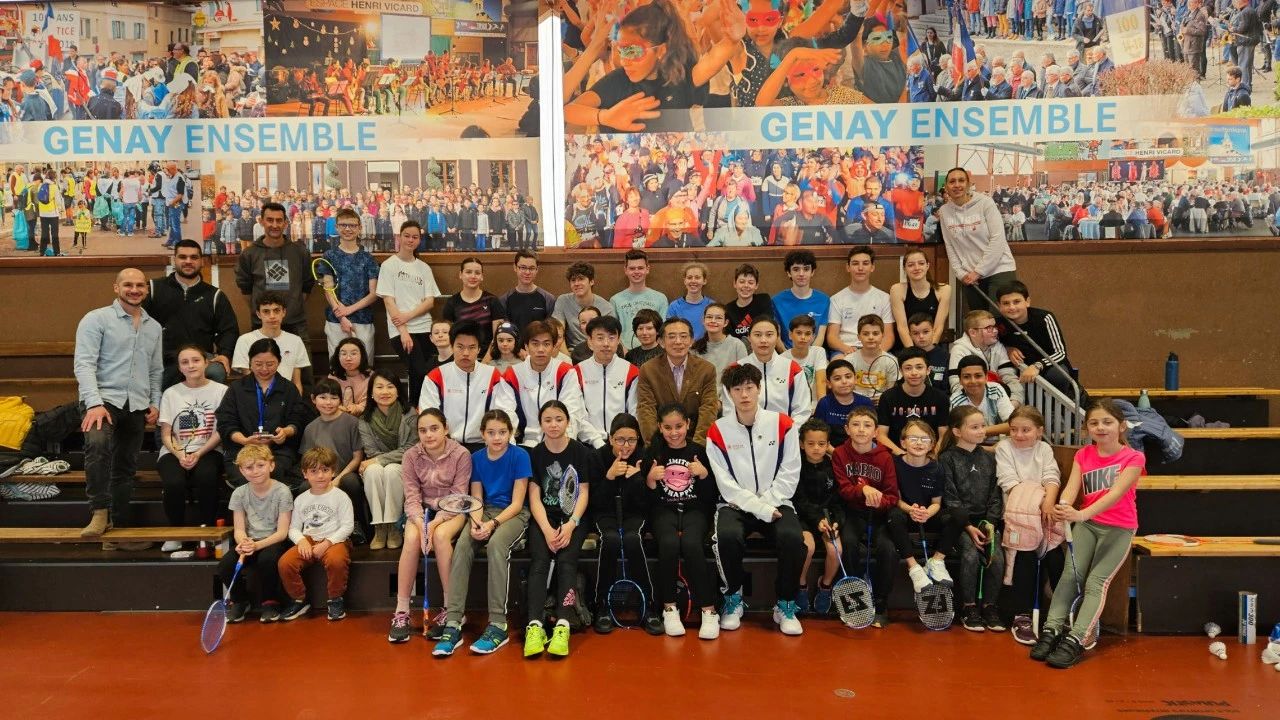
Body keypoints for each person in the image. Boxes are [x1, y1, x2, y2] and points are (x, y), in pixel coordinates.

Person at [1031, 399, 1145, 668]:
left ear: (1121, 426)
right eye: (1094, 423)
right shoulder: (1084, 454)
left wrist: (1081, 514)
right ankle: (1051, 630)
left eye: (1107, 422)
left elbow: (1116, 494)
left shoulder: (1134, 458)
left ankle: (1077, 638)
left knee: (1096, 583)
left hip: (1119, 528)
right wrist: (1064, 505)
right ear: (1086, 429)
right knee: (1071, 576)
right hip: (1087, 525)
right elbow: (1072, 487)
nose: (1100, 427)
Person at [708, 364, 805, 636]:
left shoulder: (783, 425)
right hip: (735, 505)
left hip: (777, 502)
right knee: (727, 536)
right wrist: (758, 508)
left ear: (759, 389)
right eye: (737, 389)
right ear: (728, 393)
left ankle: (785, 604)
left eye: (749, 388)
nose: (744, 395)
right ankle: (733, 598)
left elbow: (790, 471)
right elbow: (725, 483)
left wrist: (768, 503)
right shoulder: (717, 431)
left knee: (792, 538)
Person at [75, 268, 163, 545]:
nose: (134, 290)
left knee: (126, 465)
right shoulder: (96, 319)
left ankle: (118, 531)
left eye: (140, 285)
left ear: (146, 290)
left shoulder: (153, 326)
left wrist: (155, 402)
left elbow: (155, 370)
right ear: (116, 287)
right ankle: (99, 512)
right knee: (98, 446)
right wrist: (94, 403)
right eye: (128, 285)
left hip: (136, 403)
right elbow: (84, 364)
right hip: (102, 401)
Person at [434, 411, 532, 657]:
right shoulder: (476, 458)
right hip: (485, 511)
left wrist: (492, 525)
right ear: (483, 434)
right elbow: (476, 498)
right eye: (491, 432)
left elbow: (517, 504)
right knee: (463, 545)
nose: (497, 437)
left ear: (511, 433)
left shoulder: (520, 456)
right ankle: (453, 622)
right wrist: (477, 522)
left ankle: (498, 625)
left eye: (502, 432)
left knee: (497, 544)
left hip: (513, 515)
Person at [388, 408, 472, 642]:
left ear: (446, 429)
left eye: (434, 428)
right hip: (421, 511)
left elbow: (458, 496)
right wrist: (420, 523)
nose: (429, 435)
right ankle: (402, 611)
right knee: (412, 539)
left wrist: (433, 526)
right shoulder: (410, 456)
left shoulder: (461, 454)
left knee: (441, 537)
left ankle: (452, 610)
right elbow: (412, 497)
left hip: (452, 509)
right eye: (423, 430)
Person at [523, 401, 596, 657]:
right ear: (540, 424)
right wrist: (545, 528)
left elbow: (583, 492)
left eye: (558, 419)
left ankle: (563, 624)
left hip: (573, 520)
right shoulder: (535, 454)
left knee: (566, 562)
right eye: (548, 420)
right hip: (544, 519)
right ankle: (534, 625)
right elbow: (534, 496)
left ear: (567, 422)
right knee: (539, 562)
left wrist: (571, 524)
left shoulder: (580, 452)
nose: (553, 425)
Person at [643, 403, 720, 639]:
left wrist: (704, 475)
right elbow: (646, 500)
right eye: (667, 427)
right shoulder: (653, 453)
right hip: (663, 510)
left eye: (678, 426)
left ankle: (709, 610)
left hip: (695, 510)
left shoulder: (700, 452)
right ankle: (669, 608)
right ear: (660, 427)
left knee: (691, 544)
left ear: (688, 424)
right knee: (668, 543)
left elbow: (712, 495)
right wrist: (650, 480)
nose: (674, 432)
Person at [996, 406, 1064, 645]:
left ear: (1039, 431)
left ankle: (1060, 615)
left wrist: (1049, 502)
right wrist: (1040, 501)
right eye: (1014, 429)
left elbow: (1051, 477)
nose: (1019, 435)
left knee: (1056, 559)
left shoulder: (1044, 449)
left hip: (1044, 514)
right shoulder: (1004, 448)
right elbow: (1010, 483)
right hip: (1017, 516)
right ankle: (1021, 616)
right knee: (1023, 559)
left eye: (1026, 430)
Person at [939, 405, 1006, 633]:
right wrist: (968, 526)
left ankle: (990, 606)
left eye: (983, 426)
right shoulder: (947, 459)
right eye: (974, 427)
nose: (981, 431)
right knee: (970, 554)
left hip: (985, 522)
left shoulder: (989, 458)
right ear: (957, 431)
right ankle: (968, 608)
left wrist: (991, 523)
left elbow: (995, 495)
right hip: (959, 523)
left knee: (996, 557)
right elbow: (950, 498)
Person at [833, 407, 900, 628]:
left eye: (867, 425)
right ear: (847, 429)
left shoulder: (885, 457)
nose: (861, 429)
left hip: (879, 515)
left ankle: (880, 603)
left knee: (888, 549)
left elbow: (892, 496)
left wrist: (879, 500)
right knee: (849, 544)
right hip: (852, 512)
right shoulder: (840, 454)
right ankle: (854, 599)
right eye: (856, 424)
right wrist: (863, 489)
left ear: (875, 432)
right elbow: (843, 489)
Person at [155, 345, 228, 551]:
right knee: (173, 482)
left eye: (196, 360)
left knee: (207, 476)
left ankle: (206, 531)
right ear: (179, 367)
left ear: (206, 363)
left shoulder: (222, 391)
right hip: (175, 450)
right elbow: (166, 433)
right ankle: (176, 532)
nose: (191, 365)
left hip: (209, 449)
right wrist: (180, 454)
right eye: (185, 362)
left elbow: (222, 430)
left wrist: (198, 453)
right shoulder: (171, 393)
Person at [215, 338, 310, 488]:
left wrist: (286, 432)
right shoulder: (236, 388)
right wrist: (244, 440)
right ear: (250, 363)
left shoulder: (289, 389)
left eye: (270, 364)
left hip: (278, 450)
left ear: (279, 362)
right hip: (242, 449)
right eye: (258, 364)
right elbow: (225, 422)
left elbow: (298, 419)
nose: (264, 369)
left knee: (273, 475)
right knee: (247, 477)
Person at [144, 240, 238, 388]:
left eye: (194, 257)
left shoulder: (214, 295)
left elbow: (229, 330)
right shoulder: (153, 289)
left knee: (216, 371)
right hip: (162, 360)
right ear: (174, 260)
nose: (188, 261)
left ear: (201, 261)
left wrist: (224, 355)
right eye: (183, 257)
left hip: (199, 359)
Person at [277, 446, 356, 622]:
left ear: (333, 472)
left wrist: (327, 543)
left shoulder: (341, 497)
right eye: (314, 471)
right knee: (285, 563)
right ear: (305, 474)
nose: (320, 476)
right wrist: (301, 541)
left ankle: (335, 599)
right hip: (309, 540)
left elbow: (347, 526)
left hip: (335, 540)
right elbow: (293, 528)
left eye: (325, 470)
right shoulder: (301, 499)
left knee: (336, 561)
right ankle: (299, 600)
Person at [217, 444, 294, 623]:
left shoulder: (282, 491)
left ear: (271, 465)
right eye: (249, 467)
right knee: (225, 565)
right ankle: (240, 601)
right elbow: (239, 529)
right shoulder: (239, 493)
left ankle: (270, 602)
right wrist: (243, 543)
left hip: (274, 541)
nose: (255, 471)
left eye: (260, 465)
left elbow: (282, 532)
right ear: (242, 470)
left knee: (267, 560)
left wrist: (257, 545)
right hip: (250, 541)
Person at [418, 321, 517, 452]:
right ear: (452, 346)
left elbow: (506, 412)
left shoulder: (493, 376)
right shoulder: (435, 377)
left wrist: (507, 444)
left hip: (484, 446)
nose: (465, 353)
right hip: (446, 446)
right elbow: (428, 416)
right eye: (460, 347)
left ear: (479, 349)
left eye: (471, 347)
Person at [886, 420, 957, 596]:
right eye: (913, 438)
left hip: (927, 515)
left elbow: (936, 503)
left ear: (932, 444)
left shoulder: (937, 467)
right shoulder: (893, 464)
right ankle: (914, 567)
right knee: (893, 514)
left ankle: (937, 561)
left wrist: (926, 513)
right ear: (903, 442)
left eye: (924, 439)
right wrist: (911, 510)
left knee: (960, 514)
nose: (919, 443)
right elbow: (895, 499)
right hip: (905, 514)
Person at [506, 320, 600, 452]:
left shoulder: (565, 372)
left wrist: (563, 447)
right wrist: (511, 449)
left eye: (546, 344)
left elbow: (572, 412)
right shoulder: (513, 374)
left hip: (559, 444)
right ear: (526, 346)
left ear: (554, 346)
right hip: (524, 445)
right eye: (535, 344)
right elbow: (506, 414)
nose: (541, 349)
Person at [937, 168, 1018, 314]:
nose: (957, 185)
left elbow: (998, 239)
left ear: (968, 184)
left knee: (1000, 320)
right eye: (952, 181)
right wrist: (960, 273)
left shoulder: (985, 203)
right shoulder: (944, 211)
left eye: (961, 180)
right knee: (980, 322)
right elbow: (950, 245)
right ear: (946, 187)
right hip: (971, 277)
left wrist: (979, 271)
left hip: (999, 270)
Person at [377, 221, 440, 407]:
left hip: (425, 328)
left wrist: (408, 315)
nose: (410, 240)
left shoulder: (424, 268)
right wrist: (403, 330)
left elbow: (429, 301)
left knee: (429, 372)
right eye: (407, 236)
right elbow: (389, 301)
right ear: (399, 237)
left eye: (415, 237)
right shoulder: (389, 265)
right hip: (401, 331)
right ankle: (413, 408)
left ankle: (427, 408)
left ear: (419, 240)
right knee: (418, 370)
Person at [995, 281, 1083, 403]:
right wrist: (1007, 348)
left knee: (1057, 375)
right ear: (998, 305)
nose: (1012, 307)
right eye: (1006, 303)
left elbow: (1060, 352)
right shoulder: (998, 324)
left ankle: (1057, 408)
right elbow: (992, 346)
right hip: (1021, 370)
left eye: (1017, 302)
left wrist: (1037, 366)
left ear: (1027, 301)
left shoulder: (1044, 318)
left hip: (1048, 367)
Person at [235, 202, 313, 338]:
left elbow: (306, 287)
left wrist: (292, 308)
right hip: (262, 324)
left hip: (295, 324)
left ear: (285, 223)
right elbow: (246, 290)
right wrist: (265, 312)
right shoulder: (249, 254)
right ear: (261, 222)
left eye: (279, 220)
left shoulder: (300, 252)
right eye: (270, 220)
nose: (275, 225)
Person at [792, 419, 844, 616]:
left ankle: (825, 585)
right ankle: (801, 585)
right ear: (801, 444)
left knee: (835, 550)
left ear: (828, 444)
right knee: (807, 548)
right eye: (811, 443)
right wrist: (816, 520)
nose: (816, 448)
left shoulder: (834, 467)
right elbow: (799, 500)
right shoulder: (795, 467)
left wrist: (836, 522)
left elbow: (838, 500)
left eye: (821, 444)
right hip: (804, 517)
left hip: (827, 518)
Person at [317, 207, 380, 359]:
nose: (347, 229)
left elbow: (374, 294)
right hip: (336, 321)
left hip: (363, 320)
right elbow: (328, 289)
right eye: (343, 225)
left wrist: (348, 310)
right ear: (337, 227)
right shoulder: (328, 256)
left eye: (352, 225)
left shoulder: (368, 258)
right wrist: (341, 316)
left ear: (359, 228)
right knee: (337, 366)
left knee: (364, 365)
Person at [723, 316, 811, 424]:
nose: (763, 340)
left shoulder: (793, 369)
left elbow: (802, 411)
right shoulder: (735, 369)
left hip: (784, 431)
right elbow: (729, 411)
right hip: (744, 431)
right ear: (749, 337)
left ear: (777, 337)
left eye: (769, 335)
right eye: (757, 335)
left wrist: (788, 431)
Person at [574, 315, 639, 445]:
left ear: (618, 340)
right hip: (588, 443)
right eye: (600, 338)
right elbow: (577, 414)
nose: (606, 343)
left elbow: (634, 411)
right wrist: (596, 441)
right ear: (590, 342)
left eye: (611, 338)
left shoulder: (632, 371)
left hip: (623, 442)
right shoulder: (577, 372)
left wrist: (621, 439)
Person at [876, 347, 950, 456]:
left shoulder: (940, 398)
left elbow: (943, 435)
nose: (914, 372)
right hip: (897, 455)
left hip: (931, 456)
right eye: (908, 368)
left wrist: (932, 456)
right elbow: (881, 435)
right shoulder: (888, 397)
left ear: (928, 370)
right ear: (901, 371)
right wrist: (903, 456)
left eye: (919, 367)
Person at [231, 291, 309, 393]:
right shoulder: (245, 340)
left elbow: (296, 383)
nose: (272, 316)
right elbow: (248, 379)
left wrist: (296, 402)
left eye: (276, 310)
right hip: (256, 395)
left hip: (286, 396)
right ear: (258, 314)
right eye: (266, 311)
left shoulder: (295, 340)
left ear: (284, 312)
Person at [826, 246, 893, 359]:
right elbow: (832, 337)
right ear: (848, 267)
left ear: (872, 267)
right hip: (846, 349)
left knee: (892, 363)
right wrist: (846, 349)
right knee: (838, 364)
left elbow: (889, 336)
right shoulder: (836, 299)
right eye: (855, 263)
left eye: (865, 263)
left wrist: (876, 352)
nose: (860, 268)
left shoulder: (884, 298)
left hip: (876, 348)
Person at [948, 309, 1024, 405]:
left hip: (1001, 402)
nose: (996, 331)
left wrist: (1014, 402)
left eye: (995, 326)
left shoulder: (998, 346)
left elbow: (1010, 378)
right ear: (973, 332)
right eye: (989, 328)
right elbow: (957, 386)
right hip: (971, 406)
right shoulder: (959, 350)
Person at [441, 256, 507, 359]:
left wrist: (486, 361)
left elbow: (498, 337)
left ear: (482, 276)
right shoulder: (452, 302)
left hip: (487, 358)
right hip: (460, 358)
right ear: (460, 275)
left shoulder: (492, 300)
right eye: (468, 272)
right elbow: (447, 336)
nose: (473, 276)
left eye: (477, 273)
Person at [889, 248, 951, 349]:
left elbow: (938, 327)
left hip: (932, 345)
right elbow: (902, 327)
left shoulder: (944, 290)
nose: (916, 268)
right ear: (904, 268)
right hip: (906, 346)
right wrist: (913, 352)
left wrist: (930, 350)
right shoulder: (897, 289)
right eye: (911, 265)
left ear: (927, 265)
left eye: (921, 263)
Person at [611, 250, 669, 351]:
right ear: (625, 270)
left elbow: (663, 330)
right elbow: (612, 331)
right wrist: (622, 350)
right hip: (625, 352)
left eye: (640, 268)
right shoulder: (615, 300)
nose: (636, 272)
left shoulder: (660, 298)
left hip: (654, 352)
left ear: (647, 269)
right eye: (632, 268)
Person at [772, 250, 829, 349]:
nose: (801, 274)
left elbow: (820, 336)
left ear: (812, 272)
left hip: (814, 354)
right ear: (789, 273)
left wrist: (810, 356)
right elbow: (776, 337)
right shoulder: (777, 301)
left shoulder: (824, 300)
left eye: (806, 269)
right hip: (786, 354)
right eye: (796, 269)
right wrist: (787, 356)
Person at [552, 262, 615, 350]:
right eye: (573, 280)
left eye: (581, 279)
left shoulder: (606, 307)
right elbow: (558, 333)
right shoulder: (563, 301)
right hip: (572, 351)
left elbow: (612, 337)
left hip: (598, 350)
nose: (576, 283)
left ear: (591, 281)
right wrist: (567, 356)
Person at [813, 359, 874, 449]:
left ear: (855, 379)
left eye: (848, 377)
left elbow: (872, 433)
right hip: (831, 452)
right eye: (837, 378)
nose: (844, 381)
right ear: (829, 383)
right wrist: (837, 454)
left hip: (861, 451)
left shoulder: (865, 403)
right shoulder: (824, 403)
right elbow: (818, 436)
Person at [951, 354, 1014, 439]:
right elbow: (957, 435)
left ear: (986, 377)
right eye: (966, 377)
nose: (973, 381)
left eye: (978, 376)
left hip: (998, 443)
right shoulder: (955, 401)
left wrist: (981, 431)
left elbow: (1013, 424)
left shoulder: (996, 390)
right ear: (960, 380)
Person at [499, 251, 557, 336]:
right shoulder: (504, 300)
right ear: (515, 267)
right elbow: (505, 333)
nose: (527, 272)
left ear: (537, 269)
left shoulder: (549, 299)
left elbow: (550, 332)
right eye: (523, 267)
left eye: (532, 268)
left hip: (539, 343)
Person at [849, 315, 900, 403]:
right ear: (859, 337)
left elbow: (892, 390)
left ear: (882, 335)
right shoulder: (849, 360)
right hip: (855, 402)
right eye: (866, 334)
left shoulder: (891, 361)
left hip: (882, 402)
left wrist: (884, 399)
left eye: (875, 333)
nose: (871, 337)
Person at [782, 315, 827, 412]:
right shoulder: (782, 358)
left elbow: (821, 382)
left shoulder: (818, 352)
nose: (803, 337)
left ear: (813, 337)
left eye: (807, 334)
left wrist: (822, 409)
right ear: (790, 335)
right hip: (792, 408)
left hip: (815, 406)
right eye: (798, 333)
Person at [693, 303, 748, 379]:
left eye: (718, 318)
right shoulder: (695, 348)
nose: (713, 321)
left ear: (726, 323)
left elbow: (744, 376)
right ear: (703, 320)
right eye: (709, 317)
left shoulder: (737, 345)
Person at [723, 263, 774, 344]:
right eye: (742, 282)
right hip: (739, 350)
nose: (746, 285)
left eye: (750, 282)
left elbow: (769, 328)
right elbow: (731, 341)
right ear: (735, 284)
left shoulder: (763, 300)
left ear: (756, 285)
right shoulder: (728, 309)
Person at [666, 262, 714, 339]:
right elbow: (669, 332)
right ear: (685, 281)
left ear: (704, 281)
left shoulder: (712, 305)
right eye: (689, 277)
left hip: (705, 345)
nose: (693, 281)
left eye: (697, 277)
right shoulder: (674, 306)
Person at [328, 339, 371, 416]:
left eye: (353, 354)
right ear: (338, 357)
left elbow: (371, 402)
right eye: (344, 354)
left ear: (362, 356)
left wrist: (357, 408)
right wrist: (338, 408)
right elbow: (329, 399)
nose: (348, 358)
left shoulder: (371, 376)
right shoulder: (333, 376)